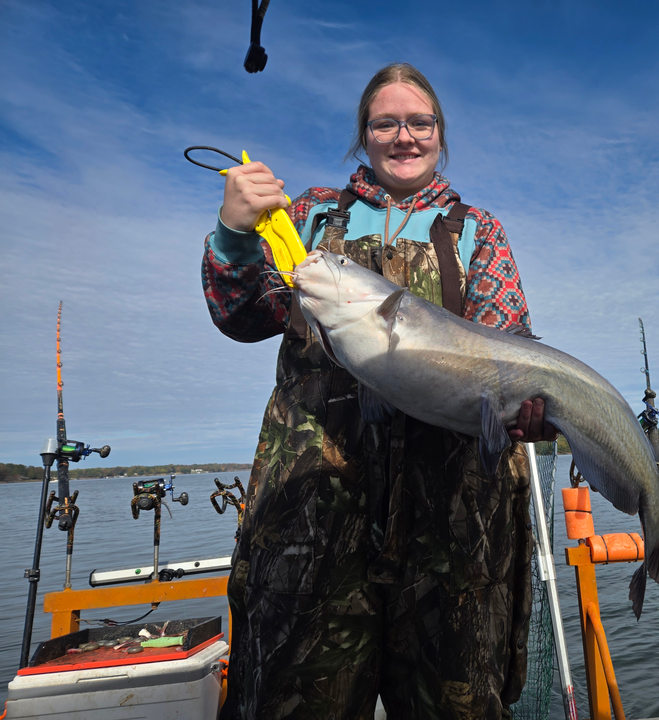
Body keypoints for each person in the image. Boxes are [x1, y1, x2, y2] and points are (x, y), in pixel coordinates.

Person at [203, 63, 556, 720]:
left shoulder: (478, 230)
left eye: (419, 122)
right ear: (363, 135)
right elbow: (242, 316)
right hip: (312, 518)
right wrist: (233, 233)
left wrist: (528, 409)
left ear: (439, 134)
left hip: (454, 527)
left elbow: (511, 344)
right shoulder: (306, 216)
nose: (403, 136)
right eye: (385, 123)